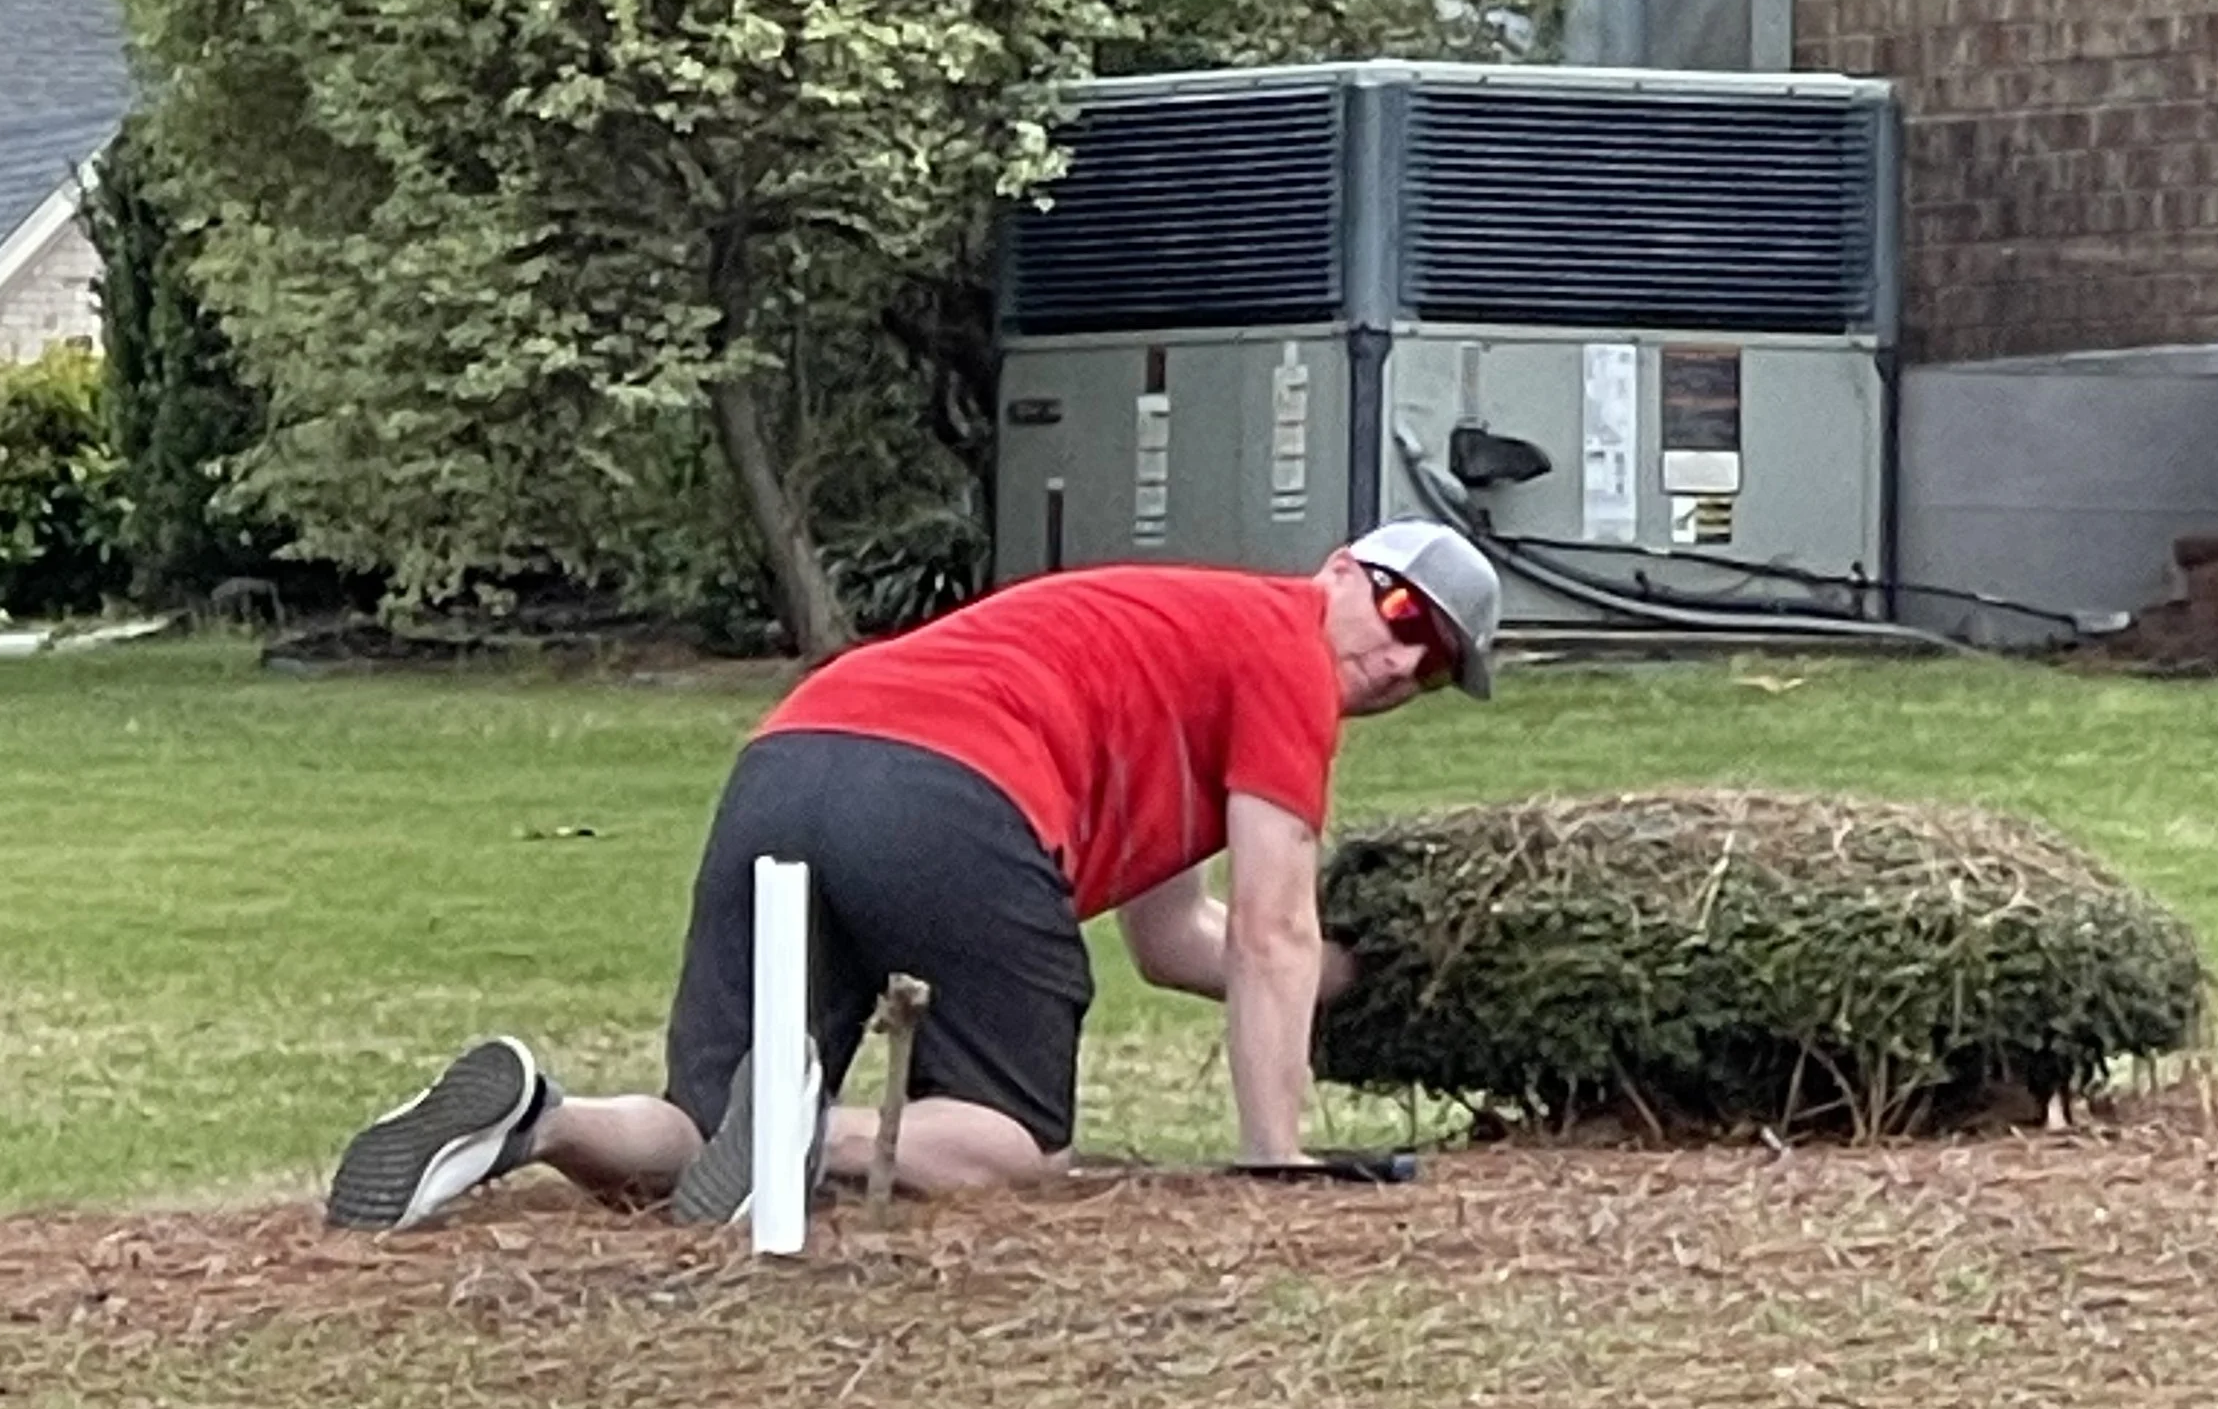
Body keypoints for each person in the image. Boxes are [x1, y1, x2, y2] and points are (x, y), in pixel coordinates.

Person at [326, 516, 1501, 1232]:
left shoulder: (1183, 646)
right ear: (1338, 570)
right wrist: (1276, 1164)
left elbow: (1176, 941)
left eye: (1435, 664)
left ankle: (536, 1120)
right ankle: (796, 1138)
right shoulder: (1282, 648)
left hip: (789, 756)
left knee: (702, 1129)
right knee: (1015, 1144)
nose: (1400, 658)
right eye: (1401, 612)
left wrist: (1379, 989)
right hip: (957, 791)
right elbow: (1271, 931)